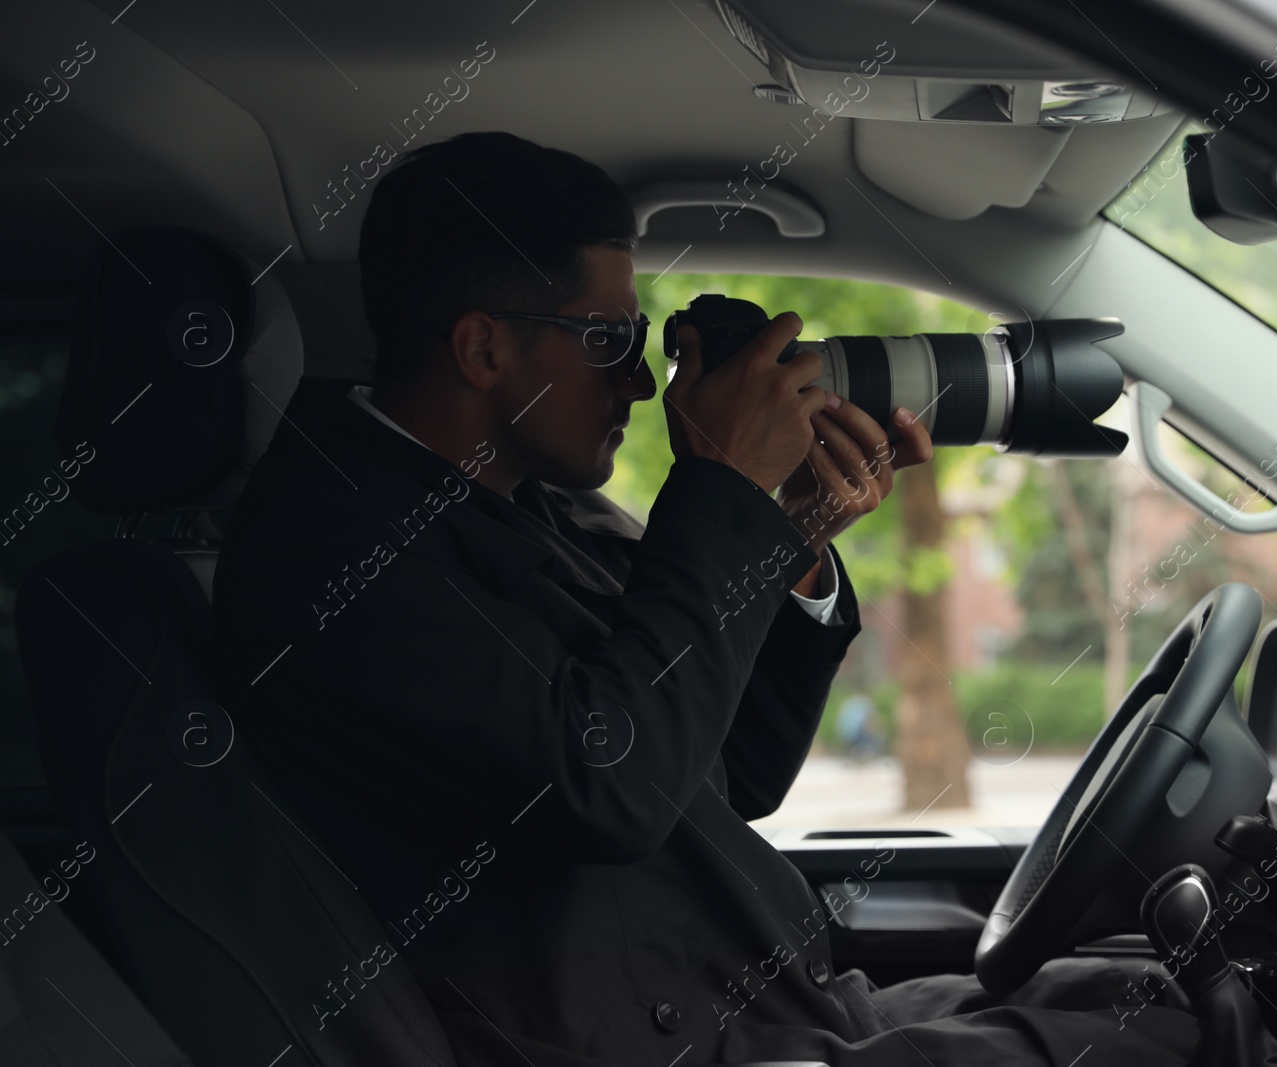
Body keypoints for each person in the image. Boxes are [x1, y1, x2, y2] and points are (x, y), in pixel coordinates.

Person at [212, 132, 1196, 1067]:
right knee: (1190, 1044)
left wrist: (793, 531)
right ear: (482, 350)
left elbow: (725, 767)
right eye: (607, 339)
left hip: (764, 1009)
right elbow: (610, 789)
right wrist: (721, 490)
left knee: (1139, 987)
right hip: (646, 1044)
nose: (639, 382)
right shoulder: (334, 553)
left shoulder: (530, 508)